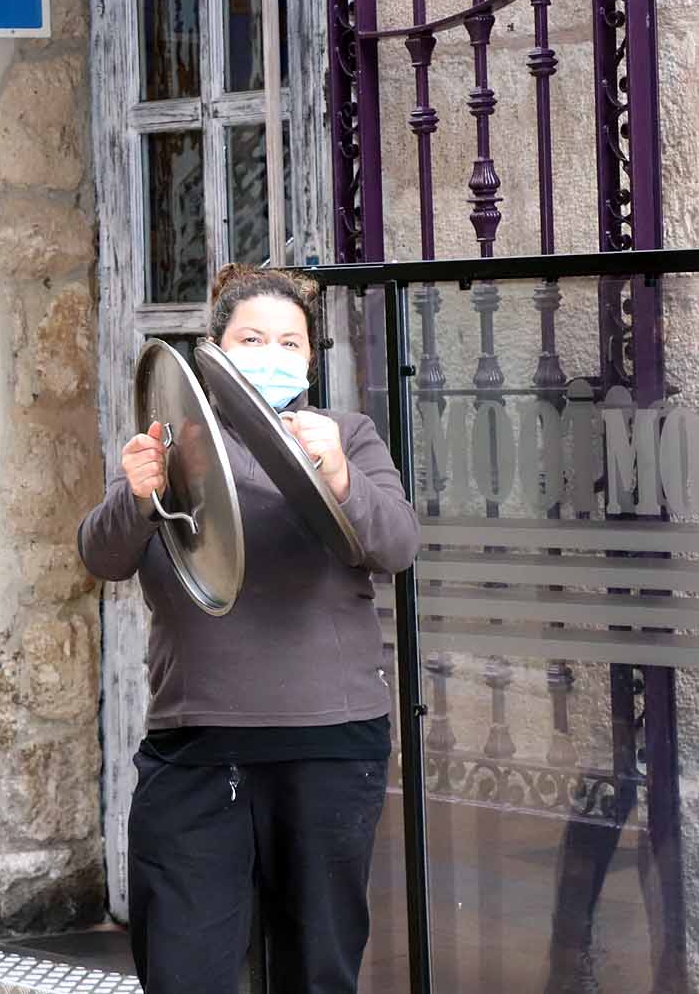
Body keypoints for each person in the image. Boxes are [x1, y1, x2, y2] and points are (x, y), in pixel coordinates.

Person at [78, 264, 421, 994]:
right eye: (253, 337)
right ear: (217, 347)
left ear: (310, 357)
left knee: (317, 970)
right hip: (197, 745)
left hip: (330, 744)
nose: (273, 352)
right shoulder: (171, 442)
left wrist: (337, 475)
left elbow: (396, 544)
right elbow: (101, 554)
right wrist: (137, 495)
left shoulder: (349, 435)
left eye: (290, 341)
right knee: (183, 967)